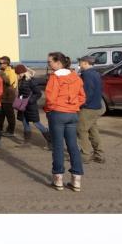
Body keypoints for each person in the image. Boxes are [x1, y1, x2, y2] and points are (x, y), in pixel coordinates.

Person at [45, 52, 86, 191]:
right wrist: (74, 106)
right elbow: (82, 97)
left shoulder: (54, 78)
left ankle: (58, 178)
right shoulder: (76, 77)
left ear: (58, 63)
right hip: (72, 113)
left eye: (50, 61)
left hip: (58, 113)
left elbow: (50, 98)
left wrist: (49, 109)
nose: (48, 64)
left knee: (57, 146)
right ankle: (77, 180)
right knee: (73, 146)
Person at [77, 55, 105, 163]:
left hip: (88, 108)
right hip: (96, 106)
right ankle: (99, 154)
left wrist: (81, 104)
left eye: (80, 62)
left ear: (85, 63)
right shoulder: (96, 73)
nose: (79, 64)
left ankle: (85, 155)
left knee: (81, 130)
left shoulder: (87, 75)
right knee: (93, 130)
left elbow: (87, 93)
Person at [15, 64, 50, 147]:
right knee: (25, 123)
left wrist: (30, 101)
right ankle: (26, 142)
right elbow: (22, 93)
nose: (17, 74)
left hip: (30, 106)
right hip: (23, 106)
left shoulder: (30, 80)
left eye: (18, 73)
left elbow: (38, 93)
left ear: (22, 72)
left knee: (37, 123)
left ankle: (50, 141)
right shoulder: (22, 80)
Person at [0, 56, 18, 137]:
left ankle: (10, 131)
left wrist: (2, 74)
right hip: (2, 97)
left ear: (6, 64)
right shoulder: (3, 71)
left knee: (10, 115)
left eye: (1, 63)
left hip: (9, 97)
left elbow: (9, 82)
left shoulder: (11, 72)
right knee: (1, 114)